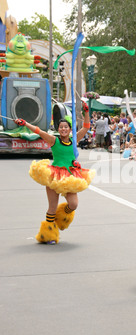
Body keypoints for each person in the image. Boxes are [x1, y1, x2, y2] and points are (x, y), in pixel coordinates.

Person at [14, 102, 95, 244]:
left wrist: (86, 111)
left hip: (70, 176)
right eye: (61, 127)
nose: (63, 129)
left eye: (66, 127)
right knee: (52, 206)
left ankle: (61, 217)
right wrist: (25, 123)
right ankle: (49, 234)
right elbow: (39, 131)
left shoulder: (74, 140)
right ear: (58, 129)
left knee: (74, 204)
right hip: (54, 176)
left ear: (70, 130)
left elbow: (86, 126)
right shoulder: (54, 140)